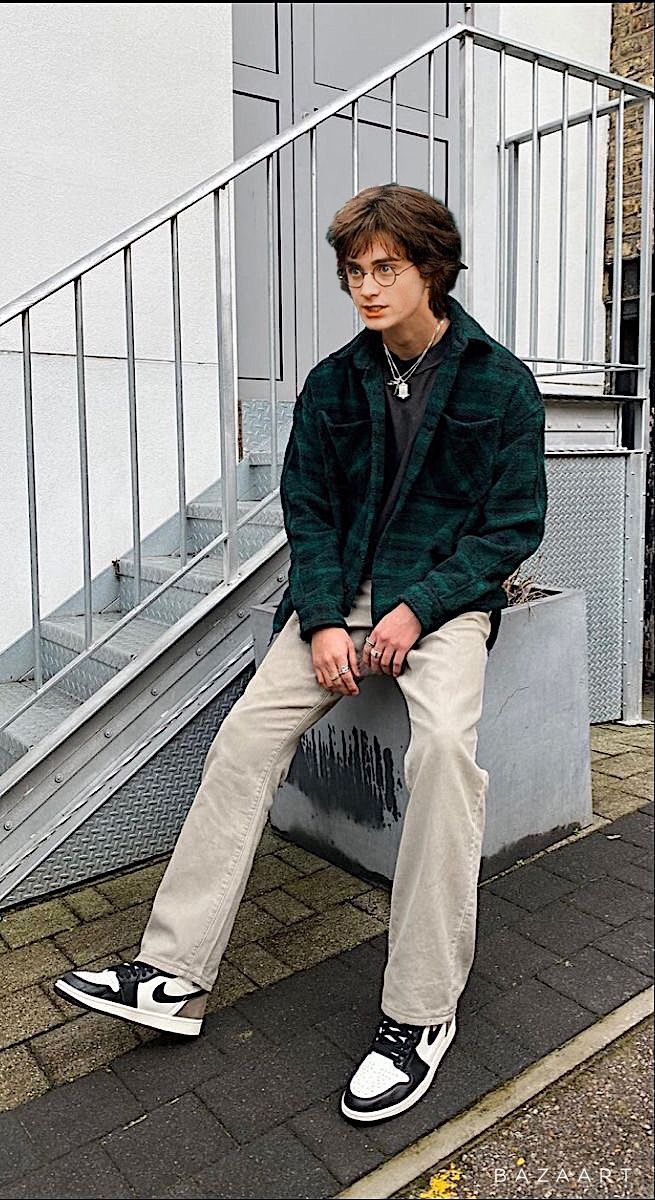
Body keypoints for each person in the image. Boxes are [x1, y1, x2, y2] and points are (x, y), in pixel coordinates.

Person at [54, 184, 547, 1124]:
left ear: (429, 269)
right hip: (337, 600)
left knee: (444, 752)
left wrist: (417, 610)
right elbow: (308, 512)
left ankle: (418, 1014)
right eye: (354, 271)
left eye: (384, 269)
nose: (365, 287)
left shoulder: (499, 382)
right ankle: (171, 974)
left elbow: (510, 526)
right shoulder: (331, 383)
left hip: (440, 606)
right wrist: (324, 621)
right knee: (242, 738)